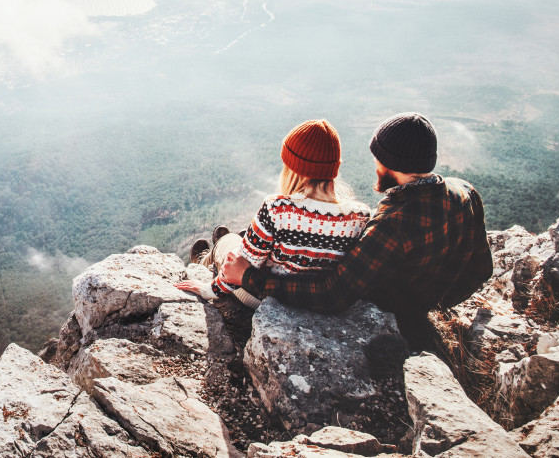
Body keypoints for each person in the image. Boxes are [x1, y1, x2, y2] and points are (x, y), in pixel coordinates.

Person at [216, 112, 493, 352]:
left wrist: (249, 277)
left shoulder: (390, 228)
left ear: (388, 162)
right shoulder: (465, 192)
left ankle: (216, 249)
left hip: (393, 319)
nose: (374, 165)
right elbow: (482, 269)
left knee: (231, 243)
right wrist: (436, 300)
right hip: (423, 306)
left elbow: (332, 294)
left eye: (377, 157)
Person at [174, 119, 371, 308]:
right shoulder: (360, 216)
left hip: (264, 299)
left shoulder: (276, 208)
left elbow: (239, 268)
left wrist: (209, 289)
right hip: (317, 302)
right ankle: (245, 242)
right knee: (241, 243)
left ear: (293, 168)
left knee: (228, 244)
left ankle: (203, 261)